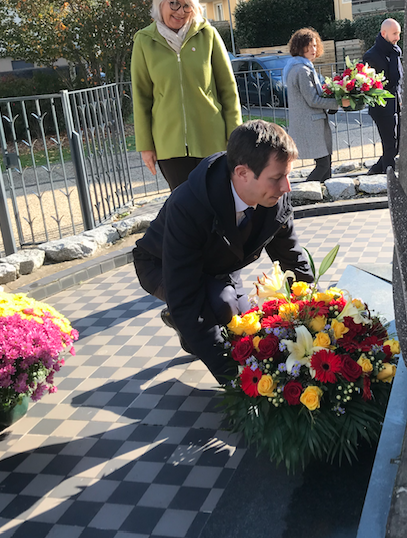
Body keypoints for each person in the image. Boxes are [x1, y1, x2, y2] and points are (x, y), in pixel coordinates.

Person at [132, 120, 314, 383]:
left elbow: (292, 260)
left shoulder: (275, 196)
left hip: (218, 264)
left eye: (287, 175)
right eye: (276, 178)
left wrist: (316, 318)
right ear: (242, 173)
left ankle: (189, 320)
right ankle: (181, 321)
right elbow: (186, 295)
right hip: (161, 264)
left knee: (245, 327)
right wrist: (235, 379)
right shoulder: (189, 206)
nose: (287, 187)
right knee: (220, 306)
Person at [131, 0, 242, 191]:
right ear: (160, 2)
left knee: (217, 204)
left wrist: (235, 136)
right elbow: (141, 97)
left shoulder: (207, 34)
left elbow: (228, 90)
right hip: (169, 146)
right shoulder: (144, 41)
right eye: (174, 4)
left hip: (212, 140)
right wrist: (145, 146)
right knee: (185, 209)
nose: (181, 12)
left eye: (187, 5)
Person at [283, 27, 350, 182]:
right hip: (311, 124)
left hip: (312, 123)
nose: (313, 49)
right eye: (309, 45)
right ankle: (306, 192)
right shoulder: (302, 70)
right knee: (323, 166)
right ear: (299, 47)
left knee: (326, 166)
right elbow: (313, 100)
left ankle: (321, 194)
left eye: (314, 45)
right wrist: (340, 102)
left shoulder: (300, 67)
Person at [363, 18, 403, 175]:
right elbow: (386, 82)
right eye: (394, 34)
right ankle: (389, 177)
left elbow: (401, 79)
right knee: (390, 144)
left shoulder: (394, 52)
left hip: (396, 104)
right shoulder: (372, 56)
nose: (397, 38)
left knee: (397, 144)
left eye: (398, 34)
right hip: (382, 107)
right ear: (383, 33)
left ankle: (375, 170)